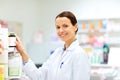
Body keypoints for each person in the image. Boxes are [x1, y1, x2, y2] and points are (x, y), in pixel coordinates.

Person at [15, 11, 90, 80]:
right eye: (58, 27)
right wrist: (22, 52)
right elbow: (38, 76)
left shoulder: (79, 54)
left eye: (65, 26)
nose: (61, 30)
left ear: (75, 27)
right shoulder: (57, 53)